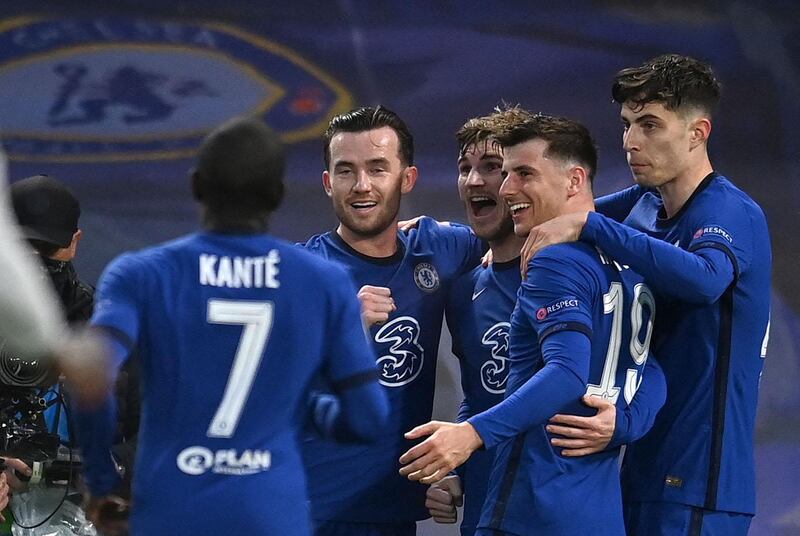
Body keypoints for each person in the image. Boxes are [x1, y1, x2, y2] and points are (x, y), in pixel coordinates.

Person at [74, 116, 389, 536]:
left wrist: (100, 481)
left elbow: (90, 377)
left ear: (197, 186)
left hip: (169, 512)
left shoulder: (140, 275)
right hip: (271, 514)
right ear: (278, 195)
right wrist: (305, 407)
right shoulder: (323, 283)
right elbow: (366, 419)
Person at [517, 54, 771, 535]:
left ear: (698, 133)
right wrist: (451, 237)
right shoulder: (644, 203)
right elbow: (556, 214)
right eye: (628, 124)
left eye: (650, 125)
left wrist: (592, 226)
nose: (631, 142)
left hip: (701, 482)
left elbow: (704, 280)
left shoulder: (732, 211)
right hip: (639, 463)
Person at [398, 112, 666, 535]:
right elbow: (485, 393)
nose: (485, 183)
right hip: (514, 503)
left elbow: (581, 373)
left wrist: (622, 424)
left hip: (532, 511)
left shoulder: (560, 266)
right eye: (467, 168)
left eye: (499, 168)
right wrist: (458, 470)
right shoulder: (468, 287)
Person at [301, 105, 485, 536]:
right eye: (346, 171)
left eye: (378, 169)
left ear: (407, 178)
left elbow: (525, 227)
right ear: (329, 183)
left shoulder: (443, 248)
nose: (361, 186)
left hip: (394, 513)